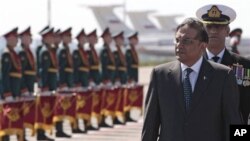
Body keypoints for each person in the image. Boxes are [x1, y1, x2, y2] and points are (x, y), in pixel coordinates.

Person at [142, 17, 242, 141]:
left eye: (187, 41)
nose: (179, 45)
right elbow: (150, 124)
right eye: (177, 40)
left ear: (203, 45)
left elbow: (233, 122)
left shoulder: (223, 76)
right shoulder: (160, 75)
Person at [196, 4, 250, 124]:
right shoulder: (192, 64)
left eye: (218, 26)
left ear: (227, 31)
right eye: (209, 27)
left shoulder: (245, 65)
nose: (213, 30)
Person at [55, 27, 73, 138]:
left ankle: (60, 128)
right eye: (68, 36)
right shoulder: (62, 50)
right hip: (62, 82)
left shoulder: (66, 49)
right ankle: (59, 129)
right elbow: (60, 68)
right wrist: (62, 82)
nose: (70, 38)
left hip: (67, 81)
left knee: (64, 107)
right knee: (60, 106)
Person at [18, 26, 36, 96]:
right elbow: (20, 72)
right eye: (25, 38)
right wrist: (23, 88)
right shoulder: (21, 52)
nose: (28, 39)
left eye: (29, 37)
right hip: (24, 87)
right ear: (21, 39)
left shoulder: (30, 51)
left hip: (30, 85)